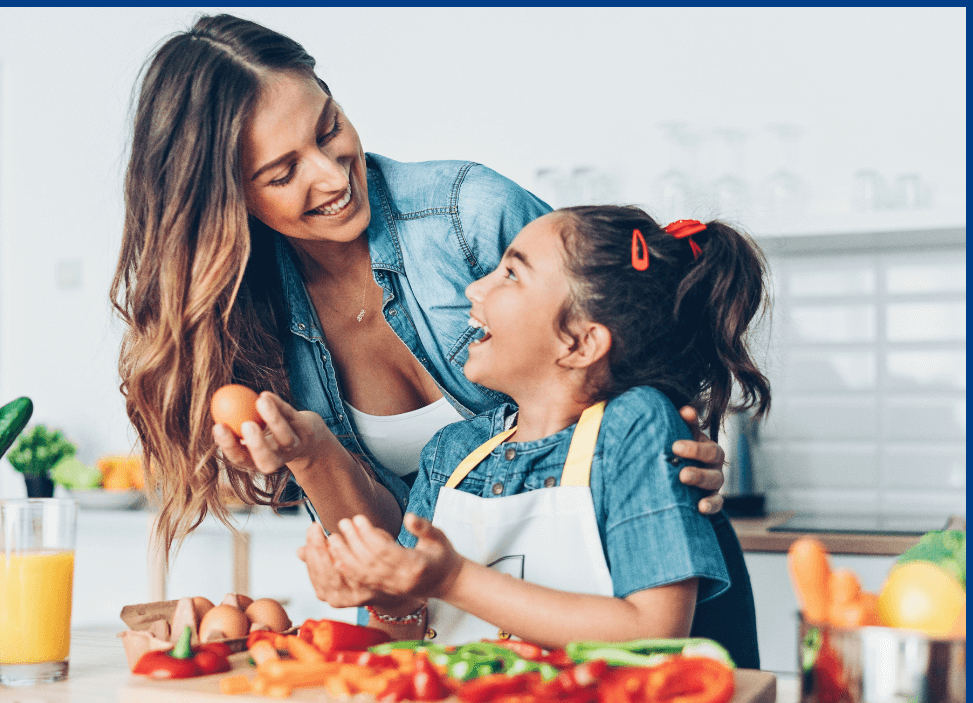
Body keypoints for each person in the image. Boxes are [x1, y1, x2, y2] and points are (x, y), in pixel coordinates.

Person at [111, 14, 727, 559]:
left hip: (632, 571)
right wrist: (311, 454)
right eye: (283, 172)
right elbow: (394, 556)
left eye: (328, 130)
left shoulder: (472, 215)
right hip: (471, 632)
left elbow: (631, 335)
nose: (331, 177)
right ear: (226, 201)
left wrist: (684, 436)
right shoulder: (245, 321)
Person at [301, 208, 769, 665]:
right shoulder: (451, 452)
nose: (475, 288)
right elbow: (399, 645)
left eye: (510, 274)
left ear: (580, 343)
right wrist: (388, 596)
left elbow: (653, 633)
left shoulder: (634, 425)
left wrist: (453, 579)